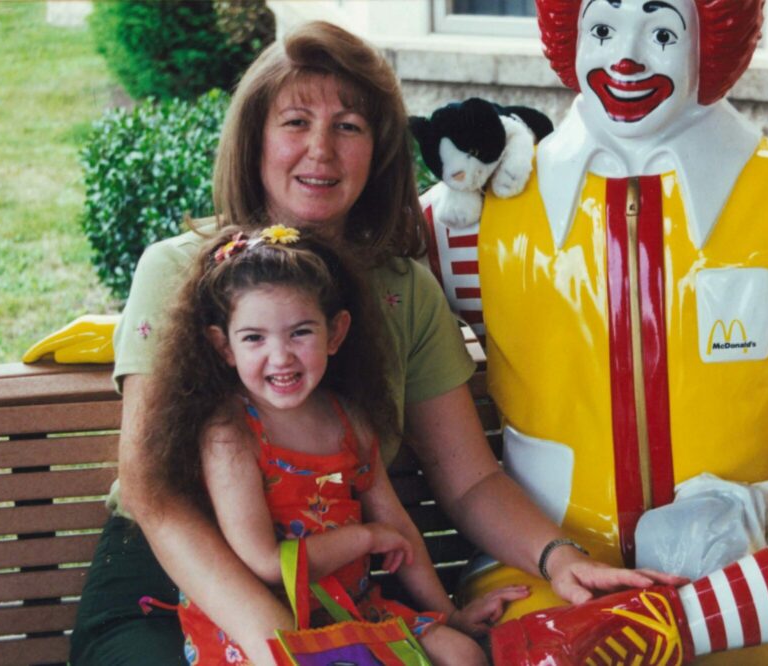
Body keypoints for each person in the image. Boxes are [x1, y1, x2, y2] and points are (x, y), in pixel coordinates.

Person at [69, 21, 680, 666]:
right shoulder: (178, 270)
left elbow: (468, 479)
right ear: (254, 141)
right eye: (296, 122)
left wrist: (559, 559)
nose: (322, 151)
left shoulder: (403, 291)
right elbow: (152, 495)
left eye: (349, 127)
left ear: (379, 149)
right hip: (174, 580)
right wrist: (285, 646)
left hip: (341, 590)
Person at [423, 0, 768, 663]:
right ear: (570, 36)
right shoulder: (463, 225)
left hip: (754, 579)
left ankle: (664, 627)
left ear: (714, 42)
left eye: (662, 31)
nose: (626, 57)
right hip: (544, 579)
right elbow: (335, 315)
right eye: (605, 29)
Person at [141, 224, 521, 664]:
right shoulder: (231, 434)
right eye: (254, 338)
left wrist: (449, 615)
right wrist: (362, 541)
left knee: (463, 656)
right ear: (223, 346)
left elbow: (397, 529)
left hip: (352, 612)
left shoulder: (350, 422)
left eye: (300, 332)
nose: (280, 356)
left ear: (335, 333)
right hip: (269, 624)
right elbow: (266, 562)